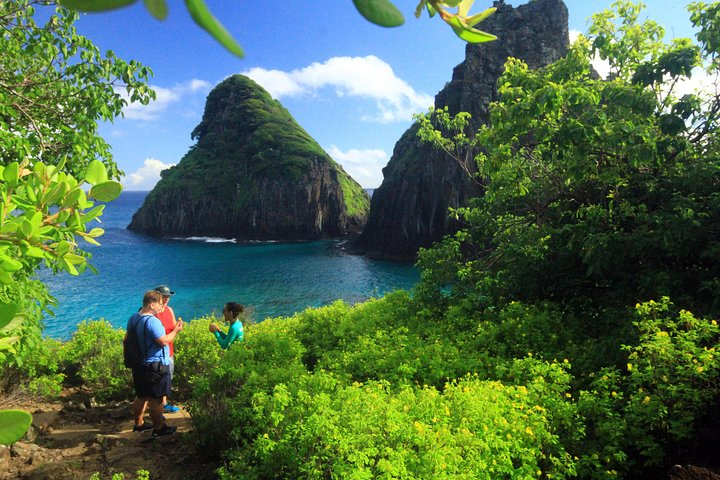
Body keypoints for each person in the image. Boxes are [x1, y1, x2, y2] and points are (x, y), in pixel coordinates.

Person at [126, 290, 183, 437]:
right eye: (159, 304)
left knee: (141, 395)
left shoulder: (133, 318)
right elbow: (163, 341)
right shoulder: (153, 321)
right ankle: (159, 428)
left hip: (139, 365)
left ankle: (139, 424)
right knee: (156, 399)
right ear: (151, 304)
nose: (160, 307)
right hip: (155, 366)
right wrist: (176, 331)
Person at [154, 285, 181, 413]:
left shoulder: (169, 310)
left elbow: (173, 328)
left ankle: (163, 405)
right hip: (156, 355)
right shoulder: (153, 313)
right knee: (158, 382)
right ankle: (157, 408)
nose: (166, 299)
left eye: (168, 296)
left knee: (167, 379)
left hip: (169, 352)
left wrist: (178, 327)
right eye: (164, 296)